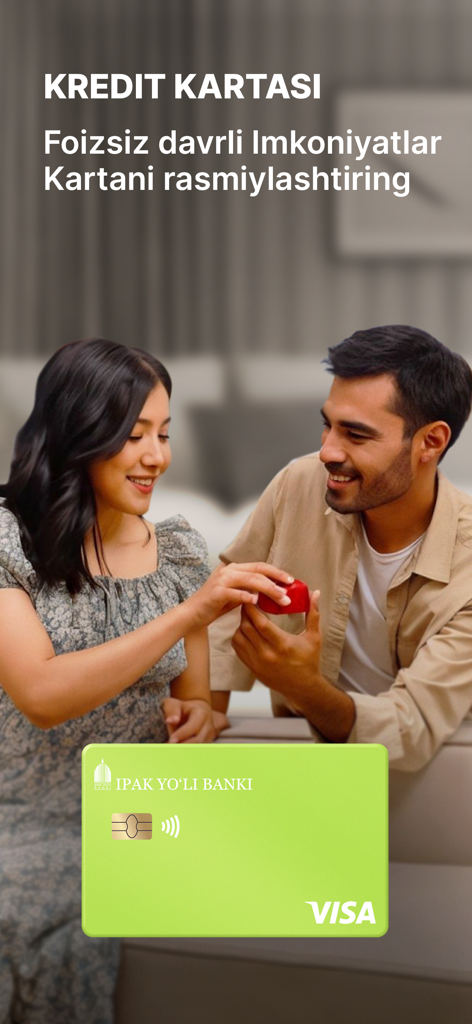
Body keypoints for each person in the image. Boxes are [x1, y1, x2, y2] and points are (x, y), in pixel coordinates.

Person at [0, 338, 291, 1024]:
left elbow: (190, 701)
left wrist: (204, 720)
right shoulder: (9, 542)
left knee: (318, 861)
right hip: (23, 815)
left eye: (164, 434)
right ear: (78, 433)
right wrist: (189, 612)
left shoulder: (181, 548)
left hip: (139, 817)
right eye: (134, 436)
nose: (158, 457)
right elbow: (40, 695)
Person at [210, 325, 472, 772]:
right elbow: (225, 596)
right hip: (306, 768)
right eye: (327, 425)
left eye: (356, 435)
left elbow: (409, 729)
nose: (327, 452)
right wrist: (209, 713)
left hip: (432, 781)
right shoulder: (300, 483)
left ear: (431, 442)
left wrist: (302, 686)